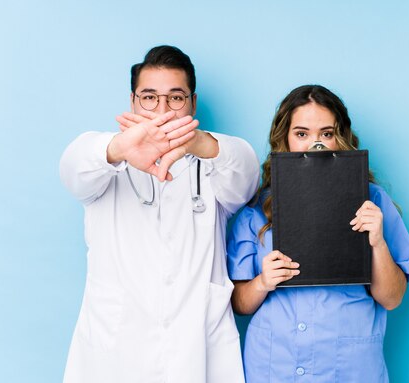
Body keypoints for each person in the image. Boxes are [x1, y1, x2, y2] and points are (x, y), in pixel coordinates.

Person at [59, 45, 259, 383]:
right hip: (116, 353)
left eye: (176, 98)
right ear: (133, 101)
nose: (162, 110)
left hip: (196, 354)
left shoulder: (214, 164)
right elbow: (72, 167)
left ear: (193, 103)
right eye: (149, 97)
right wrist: (119, 148)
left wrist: (198, 143)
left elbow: (247, 172)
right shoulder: (105, 160)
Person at [226, 84, 409, 382]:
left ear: (340, 138)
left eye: (326, 134)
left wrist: (378, 243)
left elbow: (392, 299)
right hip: (276, 365)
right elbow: (239, 304)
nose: (314, 145)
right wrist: (263, 282)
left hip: (348, 367)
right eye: (302, 134)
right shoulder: (256, 208)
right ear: (285, 138)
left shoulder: (373, 202)